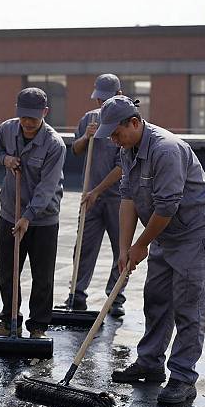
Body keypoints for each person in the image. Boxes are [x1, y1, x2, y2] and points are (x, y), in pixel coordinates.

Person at [94, 95, 205, 404]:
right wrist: (124, 249)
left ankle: (183, 377)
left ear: (134, 123)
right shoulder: (127, 148)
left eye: (117, 133)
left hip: (191, 234)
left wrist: (141, 244)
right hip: (163, 234)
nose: (113, 140)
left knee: (188, 307)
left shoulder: (166, 150)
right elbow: (128, 199)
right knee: (157, 299)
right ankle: (150, 364)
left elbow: (166, 207)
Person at [0, 88, 66, 339]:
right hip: (10, 212)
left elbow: (47, 188)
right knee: (7, 272)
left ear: (45, 112)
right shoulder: (7, 130)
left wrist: (28, 216)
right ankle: (10, 321)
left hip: (43, 219)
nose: (28, 123)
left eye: (33, 117)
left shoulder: (54, 145)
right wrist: (5, 160)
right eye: (24, 117)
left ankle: (38, 326)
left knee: (42, 275)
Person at [66, 73, 126, 317]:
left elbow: (123, 167)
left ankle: (115, 297)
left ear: (119, 96)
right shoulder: (89, 119)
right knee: (83, 247)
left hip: (119, 199)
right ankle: (77, 295)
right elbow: (76, 150)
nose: (102, 105)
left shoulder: (128, 122)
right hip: (89, 197)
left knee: (121, 250)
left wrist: (97, 191)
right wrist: (86, 136)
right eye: (100, 99)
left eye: (107, 99)